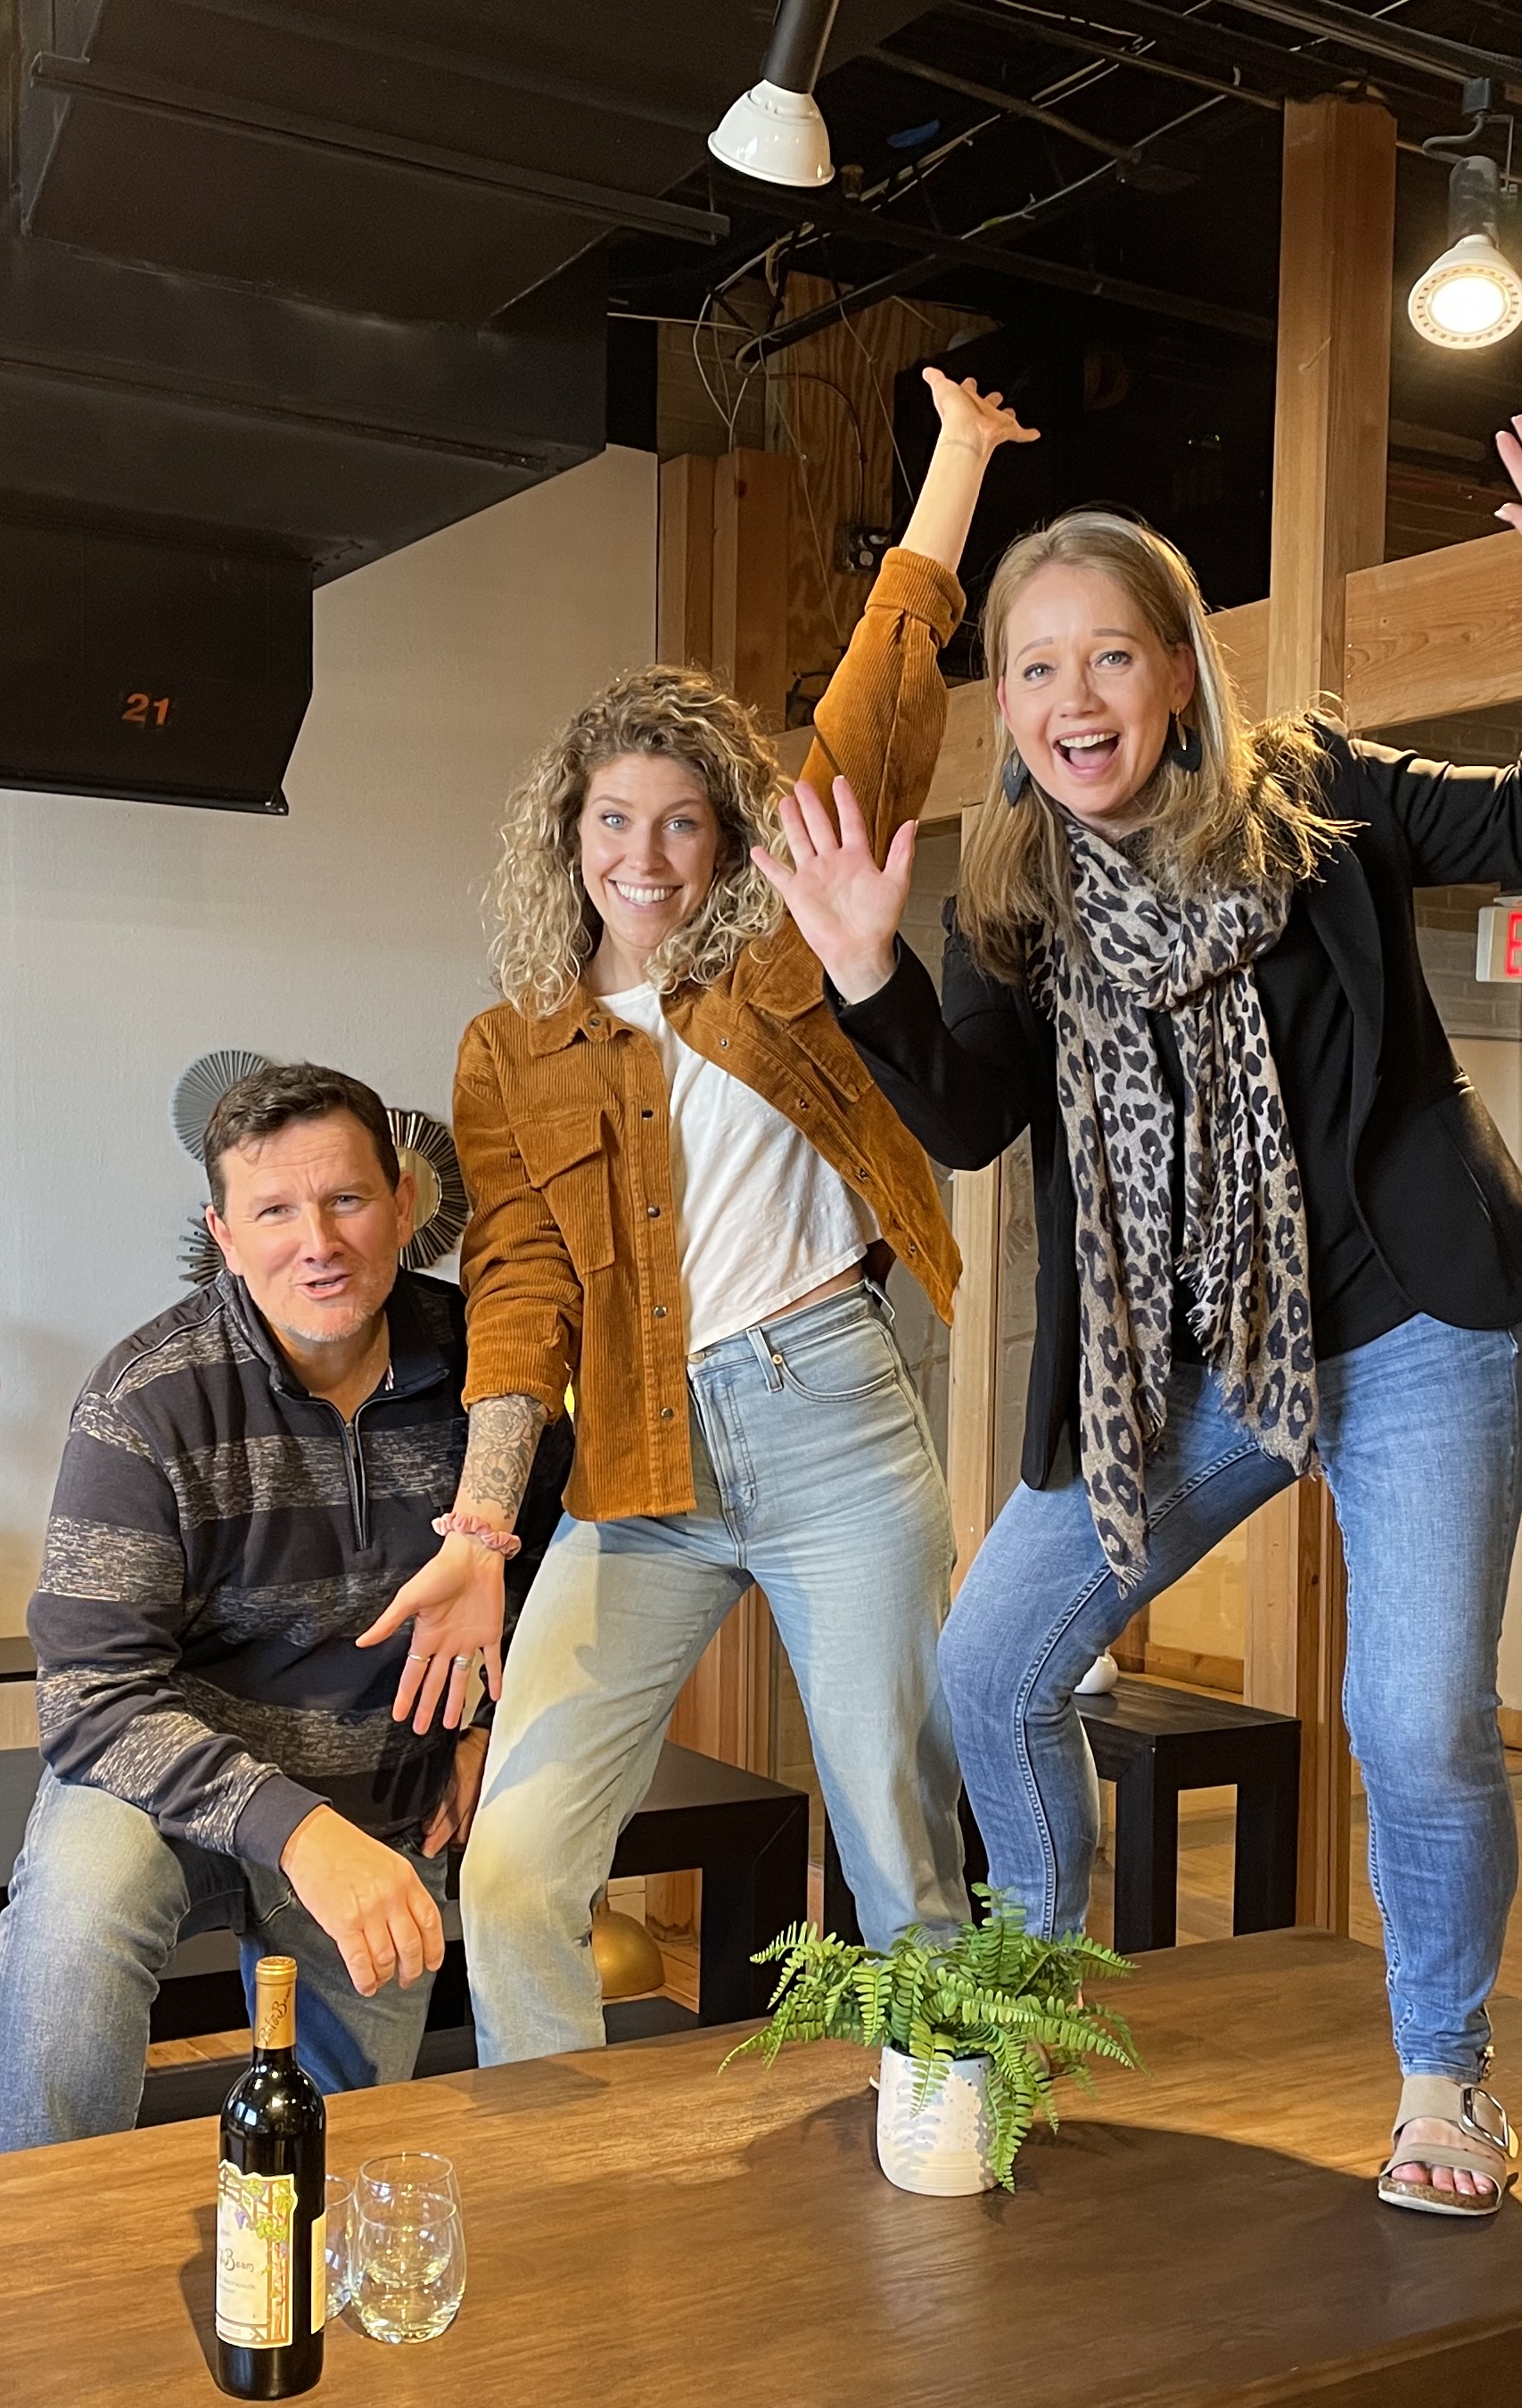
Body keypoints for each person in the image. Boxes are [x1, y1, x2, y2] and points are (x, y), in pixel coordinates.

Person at [766, 418, 1522, 2216]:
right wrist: (866, 967)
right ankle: (1028, 1995)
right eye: (1036, 669)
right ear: (1009, 706)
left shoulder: (1313, 800)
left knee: (1413, 1717)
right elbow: (972, 1118)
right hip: (1176, 1364)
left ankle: (1444, 2079)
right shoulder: (1009, 893)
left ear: (1177, 673)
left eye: (1109, 655)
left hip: (1412, 1324)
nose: (1073, 697)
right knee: (989, 1667)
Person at [362, 365, 1036, 2063]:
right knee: (515, 1867)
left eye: (680, 822)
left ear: (728, 836)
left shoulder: (782, 948)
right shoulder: (512, 1044)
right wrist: (481, 1524)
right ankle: (560, 2164)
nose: (645, 855)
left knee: (896, 1853)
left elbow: (877, 717)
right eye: (614, 820)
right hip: (636, 1469)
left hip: (830, 1420)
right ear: (568, 833)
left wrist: (955, 465)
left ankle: (944, 2138)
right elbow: (521, 1291)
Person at [0, 1061, 557, 2146]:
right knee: (74, 1921)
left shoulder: (493, 1376)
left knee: (338, 2155)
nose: (319, 1243)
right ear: (225, 1235)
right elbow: (92, 1699)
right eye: (275, 1212)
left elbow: (552, 1567)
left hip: (383, 1799)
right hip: (172, 1791)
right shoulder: (145, 1401)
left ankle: (298, 2249)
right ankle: (36, 2222)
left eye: (346, 1200)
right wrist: (298, 1831)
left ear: (402, 1203)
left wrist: (491, 1720)